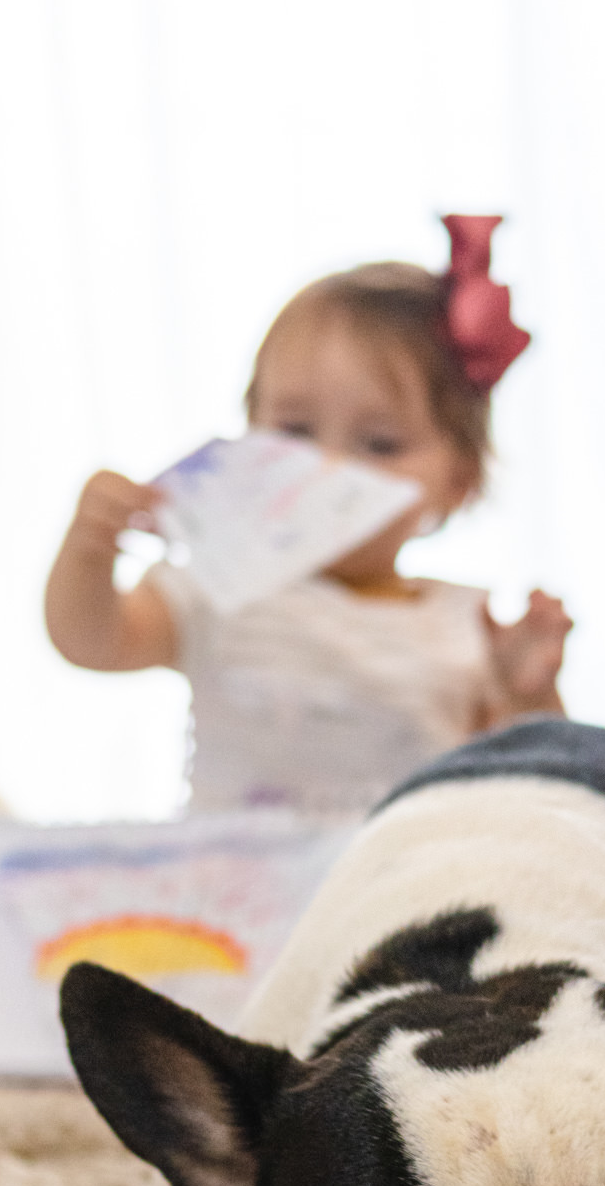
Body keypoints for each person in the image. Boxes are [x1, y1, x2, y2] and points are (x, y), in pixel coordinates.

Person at [45, 216, 572, 816]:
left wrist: (527, 694)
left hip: (394, 888)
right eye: (294, 433)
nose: (326, 468)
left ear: (458, 481)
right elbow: (93, 642)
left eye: (378, 444)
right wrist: (90, 551)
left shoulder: (467, 627)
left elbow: (525, 786)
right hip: (232, 889)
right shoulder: (218, 588)